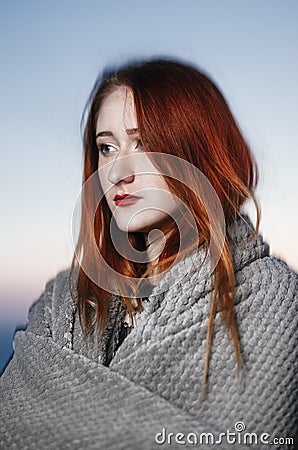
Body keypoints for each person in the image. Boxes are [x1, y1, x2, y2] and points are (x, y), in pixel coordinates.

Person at [1, 58, 297, 450]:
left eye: (142, 143)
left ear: (196, 149)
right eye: (106, 147)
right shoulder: (65, 299)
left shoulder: (270, 299)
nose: (118, 171)